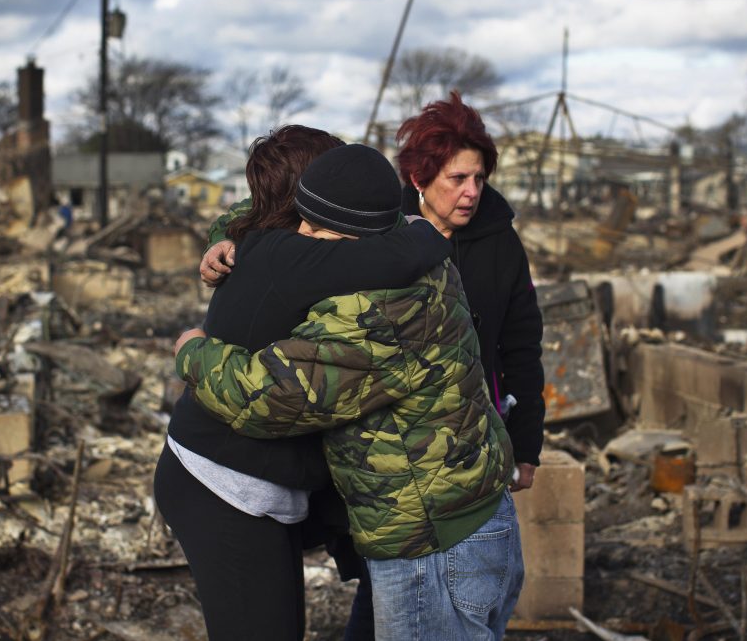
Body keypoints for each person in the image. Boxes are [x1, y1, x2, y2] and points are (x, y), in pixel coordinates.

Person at [200, 93, 545, 638]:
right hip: (453, 516)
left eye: (316, 231)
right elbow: (278, 216)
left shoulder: (381, 308)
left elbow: (264, 397)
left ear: (356, 235)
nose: (305, 242)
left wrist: (192, 349)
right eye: (457, 178)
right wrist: (228, 235)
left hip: (431, 544)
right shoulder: (405, 240)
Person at [154, 127, 451, 641]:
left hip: (253, 480)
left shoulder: (262, 239)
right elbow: (396, 252)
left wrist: (220, 237)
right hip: (224, 485)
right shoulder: (288, 254)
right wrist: (428, 231)